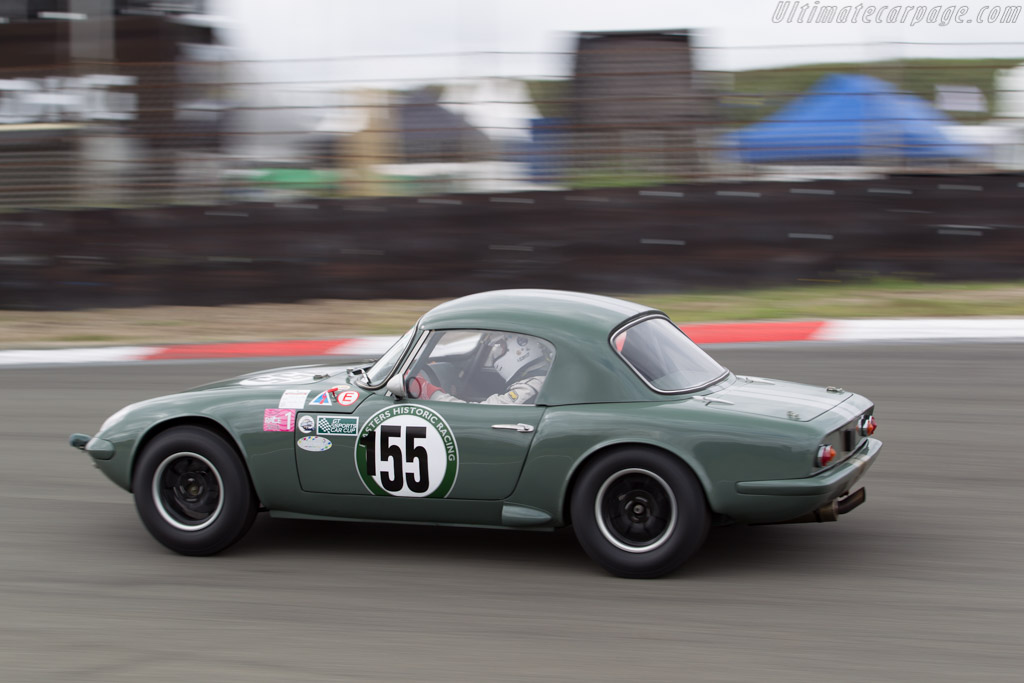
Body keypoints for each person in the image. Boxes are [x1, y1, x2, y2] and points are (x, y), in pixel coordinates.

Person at [407, 334, 551, 405]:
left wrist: (429, 392)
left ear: (519, 349)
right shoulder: (537, 380)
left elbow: (479, 413)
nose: (496, 353)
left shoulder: (530, 388)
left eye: (501, 346)